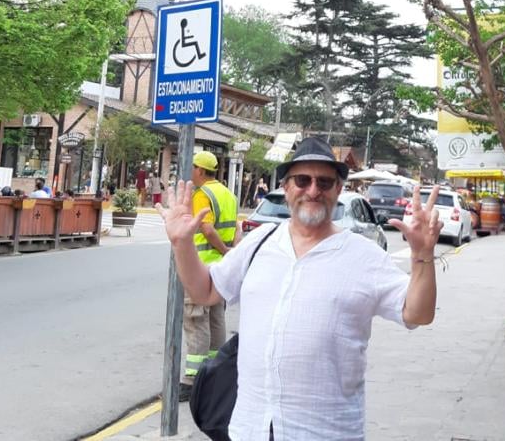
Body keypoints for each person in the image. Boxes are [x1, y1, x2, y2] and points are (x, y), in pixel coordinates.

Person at [157, 136, 442, 439]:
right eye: (302, 180)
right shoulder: (260, 242)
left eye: (324, 182)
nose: (313, 190)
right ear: (286, 187)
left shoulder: (364, 255)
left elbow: (418, 313)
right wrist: (182, 243)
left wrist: (422, 255)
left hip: (325, 433)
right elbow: (205, 291)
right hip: (250, 429)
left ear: (338, 189)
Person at [178, 151, 239, 401]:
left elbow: (206, 228)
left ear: (200, 170)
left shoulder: (202, 194)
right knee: (216, 318)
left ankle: (193, 379)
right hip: (221, 268)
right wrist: (230, 254)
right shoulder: (227, 194)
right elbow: (236, 228)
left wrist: (222, 249)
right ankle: (214, 373)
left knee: (196, 319)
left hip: (202, 266)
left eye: (193, 167)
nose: (190, 171)